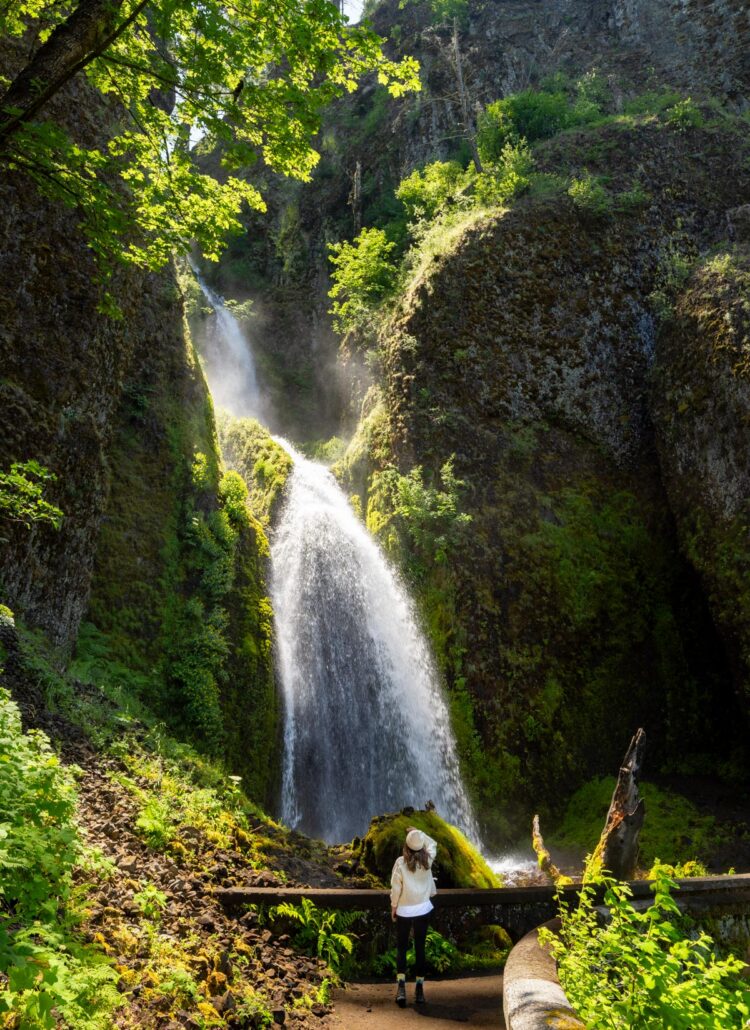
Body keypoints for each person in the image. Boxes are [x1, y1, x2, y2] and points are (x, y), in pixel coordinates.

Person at [390, 826, 438, 1008]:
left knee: (401, 948)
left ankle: (401, 989)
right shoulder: (428, 860)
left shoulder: (400, 863)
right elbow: (432, 843)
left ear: (406, 847)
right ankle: (419, 990)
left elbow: (396, 888)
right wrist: (420, 832)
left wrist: (393, 907)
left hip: (404, 910)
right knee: (420, 949)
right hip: (423, 909)